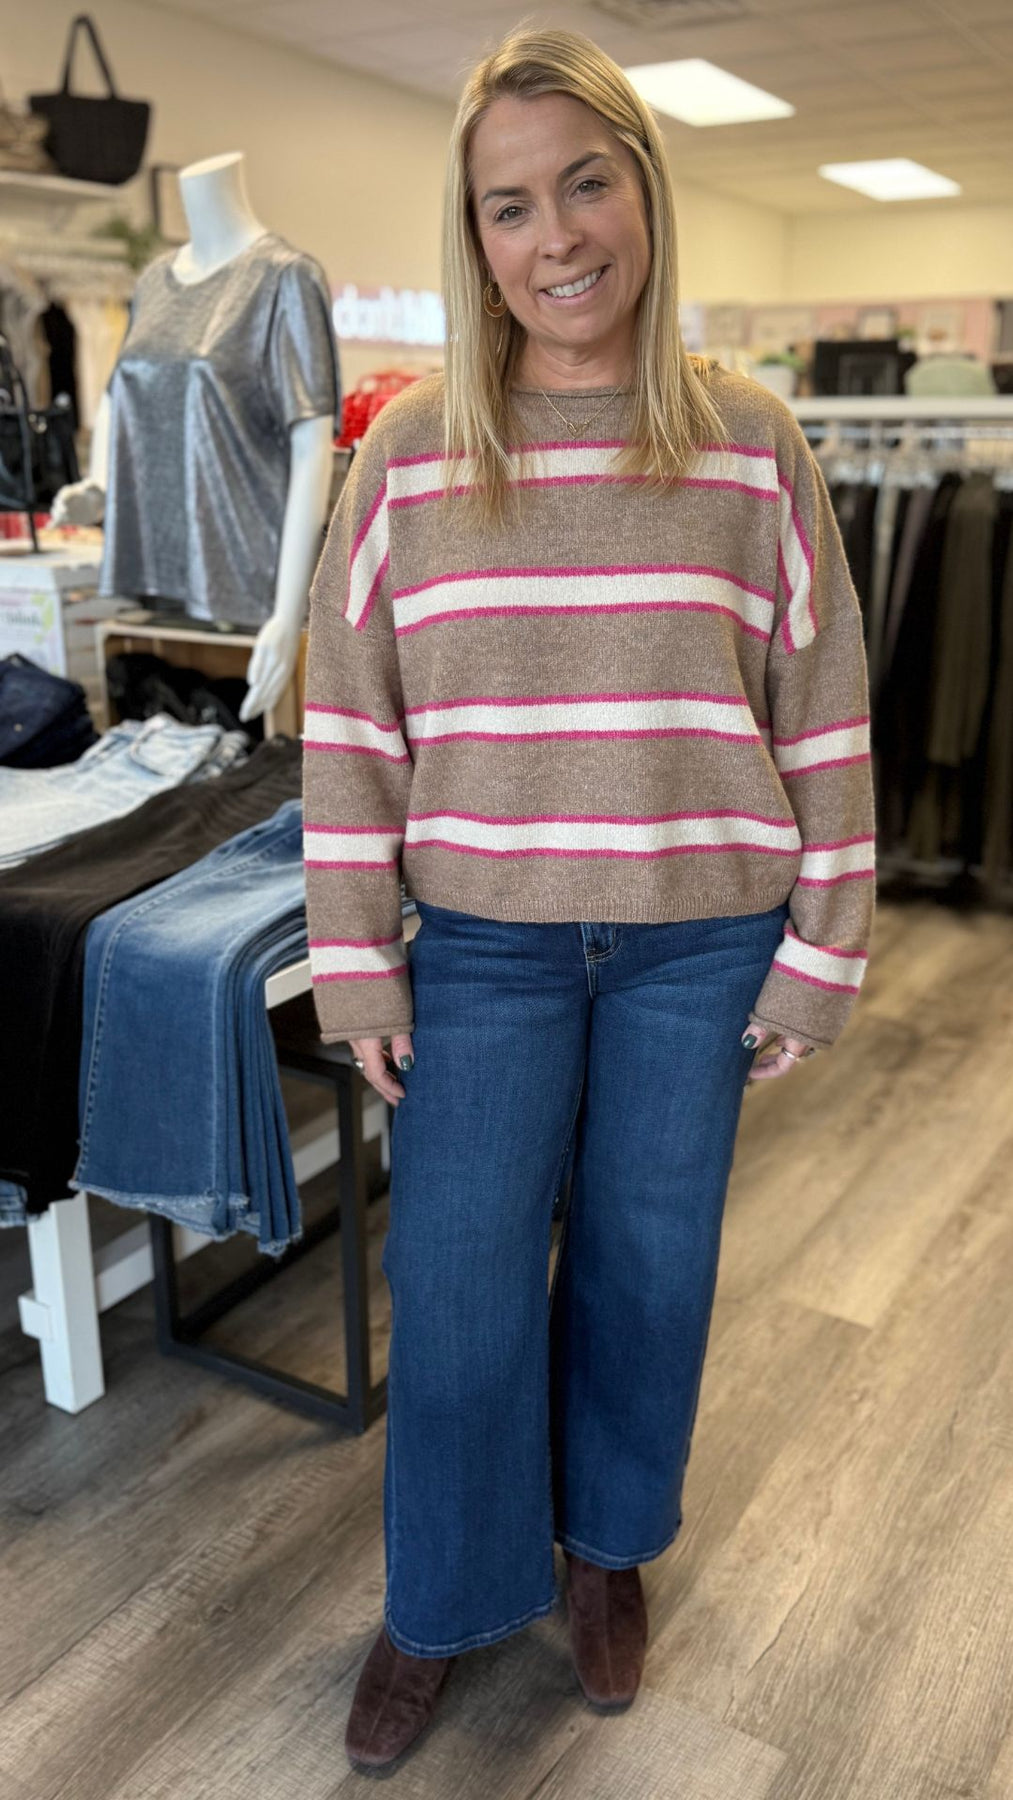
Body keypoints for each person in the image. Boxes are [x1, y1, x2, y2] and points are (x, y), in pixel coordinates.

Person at [302, 24, 875, 1775]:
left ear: (643, 191)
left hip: (699, 948)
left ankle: (603, 1550)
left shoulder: (748, 441)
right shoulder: (410, 454)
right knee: (460, 1294)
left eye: (584, 183)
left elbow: (822, 700)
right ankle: (441, 1600)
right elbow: (350, 721)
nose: (554, 235)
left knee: (646, 1272)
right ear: (473, 238)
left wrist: (820, 953)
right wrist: (355, 964)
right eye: (508, 205)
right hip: (483, 951)